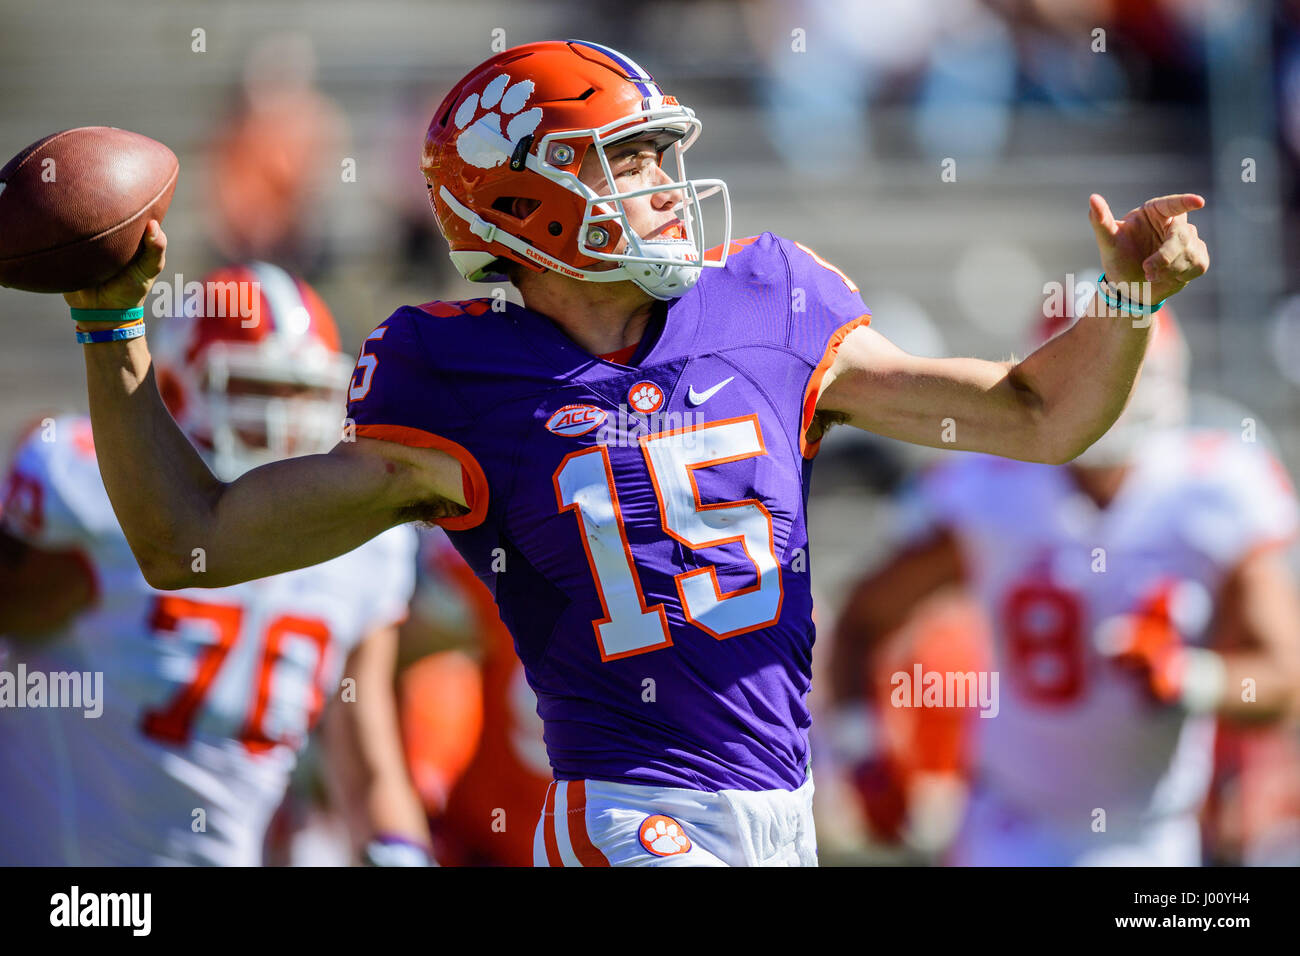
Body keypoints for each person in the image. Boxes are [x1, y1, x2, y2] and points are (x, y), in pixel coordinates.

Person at [56, 39, 1208, 866]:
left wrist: (1122, 298)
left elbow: (1036, 416)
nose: (663, 185)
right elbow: (193, 541)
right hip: (629, 816)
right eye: (629, 159)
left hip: (780, 812)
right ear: (531, 200)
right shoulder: (455, 382)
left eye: (659, 155)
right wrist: (111, 329)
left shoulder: (775, 305)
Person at [827, 307, 1300, 865]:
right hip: (1011, 825)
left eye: (1117, 371)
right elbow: (865, 619)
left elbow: (1282, 684)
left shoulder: (1209, 489)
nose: (1105, 391)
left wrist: (1188, 678)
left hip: (1149, 835)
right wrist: (864, 755)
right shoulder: (995, 491)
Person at [0, 263, 428, 865]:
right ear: (174, 386)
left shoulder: (366, 546)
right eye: (256, 390)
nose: (283, 419)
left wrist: (401, 855)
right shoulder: (85, 487)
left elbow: (366, 761)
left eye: (300, 391)